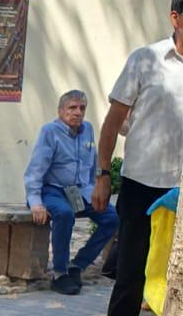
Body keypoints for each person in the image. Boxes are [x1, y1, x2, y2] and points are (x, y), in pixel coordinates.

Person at [92, 0, 183, 316]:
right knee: (130, 275)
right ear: (175, 17)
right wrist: (102, 174)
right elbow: (113, 123)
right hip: (143, 185)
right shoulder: (146, 60)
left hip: (181, 191)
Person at [24, 90, 118, 293]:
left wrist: (96, 189)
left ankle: (78, 265)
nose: (77, 112)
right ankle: (59, 273)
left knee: (111, 217)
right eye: (72, 108)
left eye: (82, 108)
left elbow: (92, 164)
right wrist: (36, 202)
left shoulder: (87, 129)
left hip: (80, 191)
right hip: (52, 190)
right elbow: (36, 169)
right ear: (60, 111)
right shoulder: (50, 131)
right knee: (65, 214)